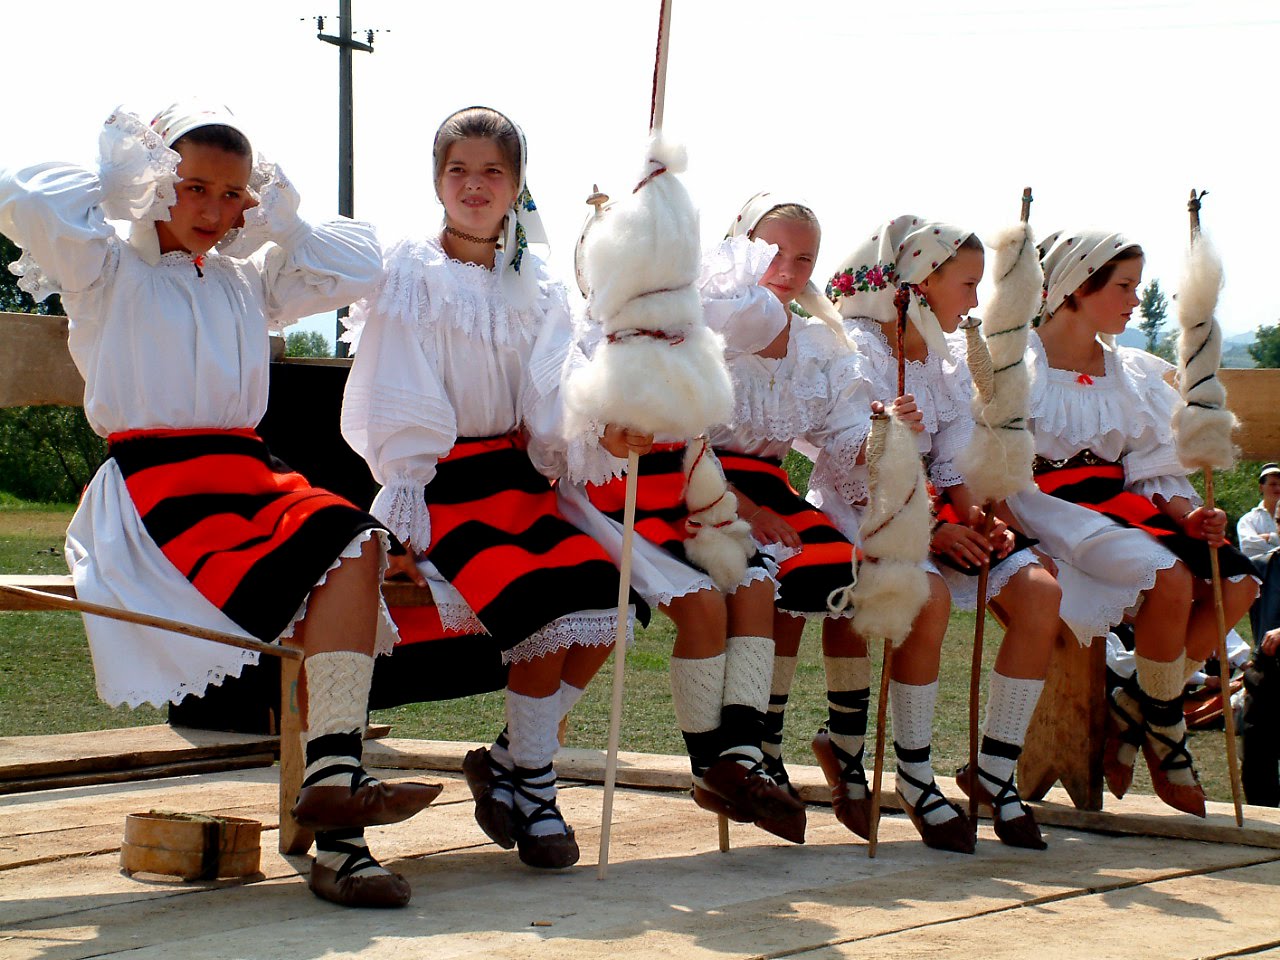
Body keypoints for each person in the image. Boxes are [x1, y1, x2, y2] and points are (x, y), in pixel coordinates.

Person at [0, 103, 439, 908]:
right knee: (331, 553)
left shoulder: (246, 280)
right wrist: (121, 181)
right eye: (192, 186)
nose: (213, 209)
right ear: (156, 184)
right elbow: (19, 194)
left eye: (233, 193)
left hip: (250, 478)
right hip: (156, 489)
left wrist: (284, 218)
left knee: (359, 543)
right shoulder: (106, 268)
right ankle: (341, 835)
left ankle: (336, 785)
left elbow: (360, 263)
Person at [341, 106, 648, 871]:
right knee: (542, 602)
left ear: (517, 185)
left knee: (613, 597)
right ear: (436, 180)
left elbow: (554, 395)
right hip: (446, 483)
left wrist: (601, 433)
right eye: (459, 171)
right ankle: (537, 784)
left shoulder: (537, 283)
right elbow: (395, 391)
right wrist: (406, 500)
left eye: (492, 173)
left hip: (517, 478)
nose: (474, 187)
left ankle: (512, 754)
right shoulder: (409, 271)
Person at [811, 216, 1061, 852]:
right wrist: (936, 530)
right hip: (866, 511)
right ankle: (915, 775)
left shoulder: (944, 359)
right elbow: (857, 464)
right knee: (930, 596)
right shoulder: (858, 348)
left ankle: (995, 770)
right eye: (968, 284)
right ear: (921, 283)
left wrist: (980, 518)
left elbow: (951, 461)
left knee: (1037, 591)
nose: (976, 300)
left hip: (933, 516)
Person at [1006, 231, 1258, 817]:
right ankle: (1167, 735)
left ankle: (1134, 709)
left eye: (1137, 287)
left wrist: (1190, 515)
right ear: (1076, 286)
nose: (1134, 300)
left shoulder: (1134, 373)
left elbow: (1149, 467)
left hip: (1124, 507)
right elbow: (997, 464)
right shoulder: (1019, 365)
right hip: (1051, 510)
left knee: (1239, 582)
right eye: (1123, 287)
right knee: (1168, 578)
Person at [705, 194, 881, 842]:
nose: (786, 267)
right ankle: (757, 748)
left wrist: (883, 436)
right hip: (700, 484)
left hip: (772, 488)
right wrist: (741, 509)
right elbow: (680, 438)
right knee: (775, 565)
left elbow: (844, 432)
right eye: (772, 251)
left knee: (849, 569)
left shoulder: (817, 345)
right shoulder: (706, 331)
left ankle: (804, 743)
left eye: (802, 257)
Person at [1237, 463, 1280, 562]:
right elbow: (1248, 548)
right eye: (1273, 484)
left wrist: (1269, 538)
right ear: (1261, 487)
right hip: (1260, 575)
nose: (1278, 488)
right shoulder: (1248, 520)